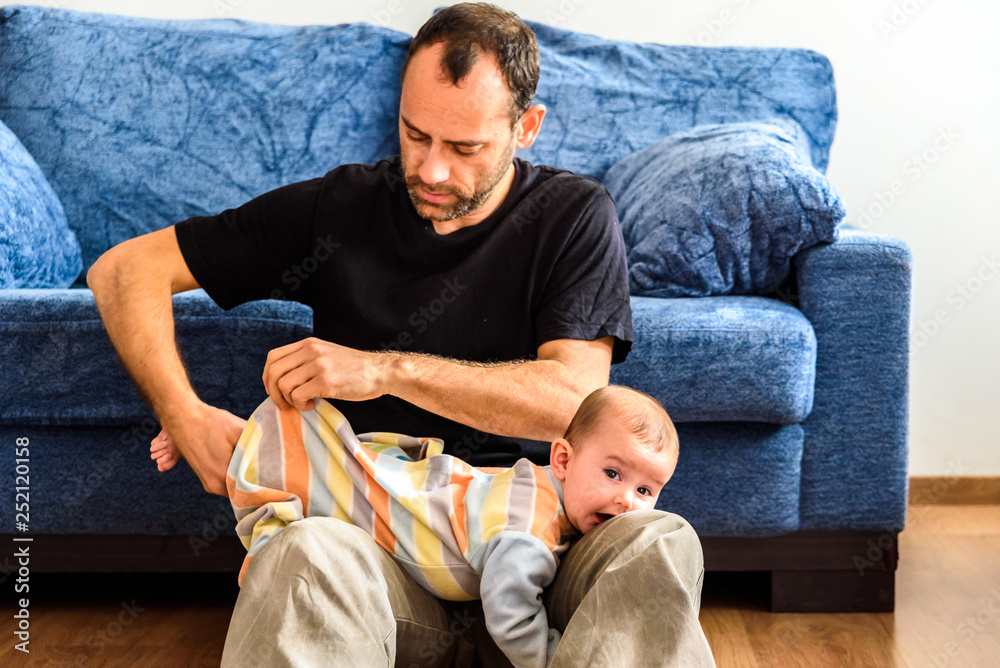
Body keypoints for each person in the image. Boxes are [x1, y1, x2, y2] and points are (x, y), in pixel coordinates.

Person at [89, 3, 716, 666]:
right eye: (416, 136)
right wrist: (181, 413)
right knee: (302, 552)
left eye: (464, 148)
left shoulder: (572, 217)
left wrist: (382, 370)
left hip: (544, 557)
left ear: (526, 128)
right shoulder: (339, 208)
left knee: (658, 540)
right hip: (384, 567)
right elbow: (125, 270)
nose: (434, 170)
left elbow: (572, 400)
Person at [152, 385, 679, 668]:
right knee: (330, 479)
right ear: (561, 460)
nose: (626, 500)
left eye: (645, 490)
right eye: (612, 473)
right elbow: (512, 613)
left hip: (440, 506)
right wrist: (551, 656)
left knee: (668, 535)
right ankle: (234, 439)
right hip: (402, 524)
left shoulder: (541, 488)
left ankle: (248, 439)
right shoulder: (529, 526)